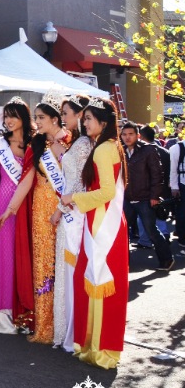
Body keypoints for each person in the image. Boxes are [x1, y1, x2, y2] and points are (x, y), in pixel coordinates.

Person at [61, 98, 129, 369]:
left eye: (89, 118)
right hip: (105, 219)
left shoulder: (103, 149)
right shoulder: (112, 146)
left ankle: (97, 348)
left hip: (102, 224)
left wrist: (73, 197)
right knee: (99, 283)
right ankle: (96, 347)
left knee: (97, 281)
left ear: (103, 122)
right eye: (84, 118)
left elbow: (107, 192)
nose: (84, 122)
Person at [0, 93, 69, 342]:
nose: (36, 122)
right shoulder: (36, 144)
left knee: (66, 263)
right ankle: (45, 322)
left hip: (68, 210)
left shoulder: (74, 142)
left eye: (40, 117)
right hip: (40, 210)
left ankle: (66, 324)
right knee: (43, 263)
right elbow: (27, 180)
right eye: (35, 117)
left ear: (56, 118)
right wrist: (10, 210)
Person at [0, 97, 32, 334]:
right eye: (6, 116)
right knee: (5, 260)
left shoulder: (36, 143)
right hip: (4, 208)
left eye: (14, 115)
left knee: (27, 258)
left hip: (30, 206)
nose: (9, 120)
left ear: (24, 117)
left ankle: (28, 314)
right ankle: (6, 318)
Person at [52, 94, 92, 351]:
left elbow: (78, 183)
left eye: (66, 113)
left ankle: (73, 332)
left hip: (74, 215)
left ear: (79, 114)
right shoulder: (76, 141)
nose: (63, 118)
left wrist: (58, 209)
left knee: (71, 272)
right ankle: (67, 329)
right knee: (66, 273)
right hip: (71, 211)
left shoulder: (85, 143)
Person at [121, 122, 174, 270]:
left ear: (138, 135)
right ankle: (121, 263)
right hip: (127, 198)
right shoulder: (121, 151)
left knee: (151, 231)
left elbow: (157, 175)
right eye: (124, 134)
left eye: (131, 134)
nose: (127, 137)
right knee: (122, 233)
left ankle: (166, 259)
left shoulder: (148, 150)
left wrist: (155, 196)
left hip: (145, 199)